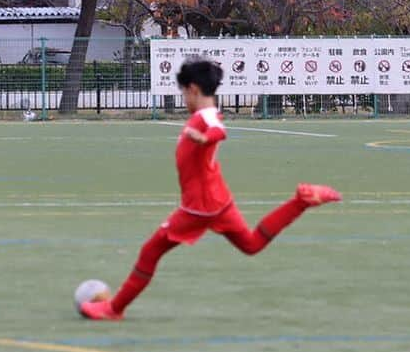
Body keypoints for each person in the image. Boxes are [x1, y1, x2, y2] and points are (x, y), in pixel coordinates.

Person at [79, 59, 342, 321]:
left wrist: (205, 138)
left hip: (200, 205)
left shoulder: (203, 118)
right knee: (251, 244)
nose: (183, 98)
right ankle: (301, 201)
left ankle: (114, 309)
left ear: (193, 89)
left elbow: (218, 131)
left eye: (183, 92)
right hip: (218, 199)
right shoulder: (207, 114)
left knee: (151, 251)